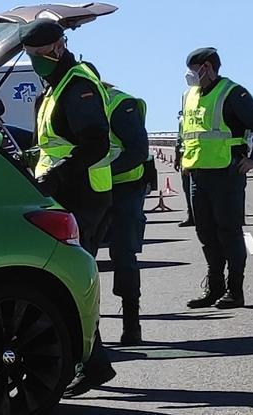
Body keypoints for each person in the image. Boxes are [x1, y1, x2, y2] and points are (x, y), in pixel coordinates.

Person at [20, 18, 117, 397]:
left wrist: (57, 174)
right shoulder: (55, 85)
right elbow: (52, 143)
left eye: (40, 55)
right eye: (30, 56)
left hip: (83, 194)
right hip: (62, 193)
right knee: (65, 279)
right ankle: (93, 364)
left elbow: (95, 143)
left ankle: (90, 364)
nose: (35, 62)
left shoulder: (78, 85)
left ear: (59, 47)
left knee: (73, 280)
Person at [180, 47, 253, 309]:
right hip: (198, 174)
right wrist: (184, 159)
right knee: (206, 233)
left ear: (207, 67)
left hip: (226, 173)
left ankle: (235, 291)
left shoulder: (232, 93)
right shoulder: (189, 96)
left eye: (193, 69)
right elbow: (189, 132)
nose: (190, 75)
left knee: (229, 232)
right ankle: (214, 287)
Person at [104, 83, 150, 345]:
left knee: (123, 254)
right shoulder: (58, 99)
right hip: (87, 191)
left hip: (125, 188)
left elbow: (138, 151)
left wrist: (100, 173)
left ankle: (132, 325)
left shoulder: (119, 103)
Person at [174, 90, 195, 227]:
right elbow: (179, 139)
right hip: (185, 157)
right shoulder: (182, 120)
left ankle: (199, 216)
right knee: (187, 189)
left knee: (196, 190)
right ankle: (191, 216)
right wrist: (177, 157)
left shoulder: (196, 116)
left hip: (197, 157)